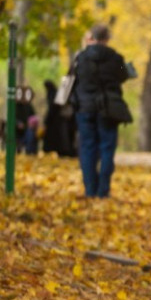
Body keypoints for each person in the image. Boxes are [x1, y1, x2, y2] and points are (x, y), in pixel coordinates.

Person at [73, 24, 132, 199]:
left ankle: (90, 189)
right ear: (107, 39)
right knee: (107, 148)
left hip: (85, 107)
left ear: (92, 36)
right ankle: (103, 190)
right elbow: (123, 76)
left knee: (87, 148)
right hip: (108, 109)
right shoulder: (116, 58)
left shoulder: (80, 58)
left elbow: (74, 78)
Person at [41, 80, 76, 157]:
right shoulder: (57, 94)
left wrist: (47, 120)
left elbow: (52, 108)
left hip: (55, 121)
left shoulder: (52, 94)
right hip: (58, 120)